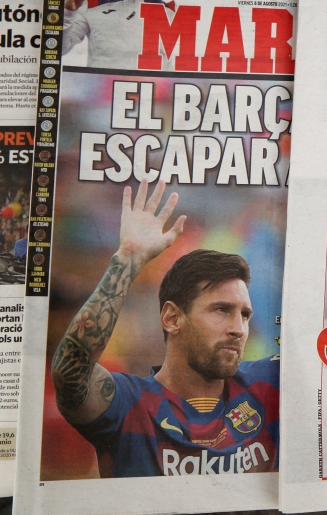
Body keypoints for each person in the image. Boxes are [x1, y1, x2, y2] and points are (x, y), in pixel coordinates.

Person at [50, 180, 279, 478]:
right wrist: (128, 260)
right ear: (172, 318)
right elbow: (71, 372)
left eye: (245, 315)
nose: (238, 328)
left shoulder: (266, 386)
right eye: (221, 310)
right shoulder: (128, 404)